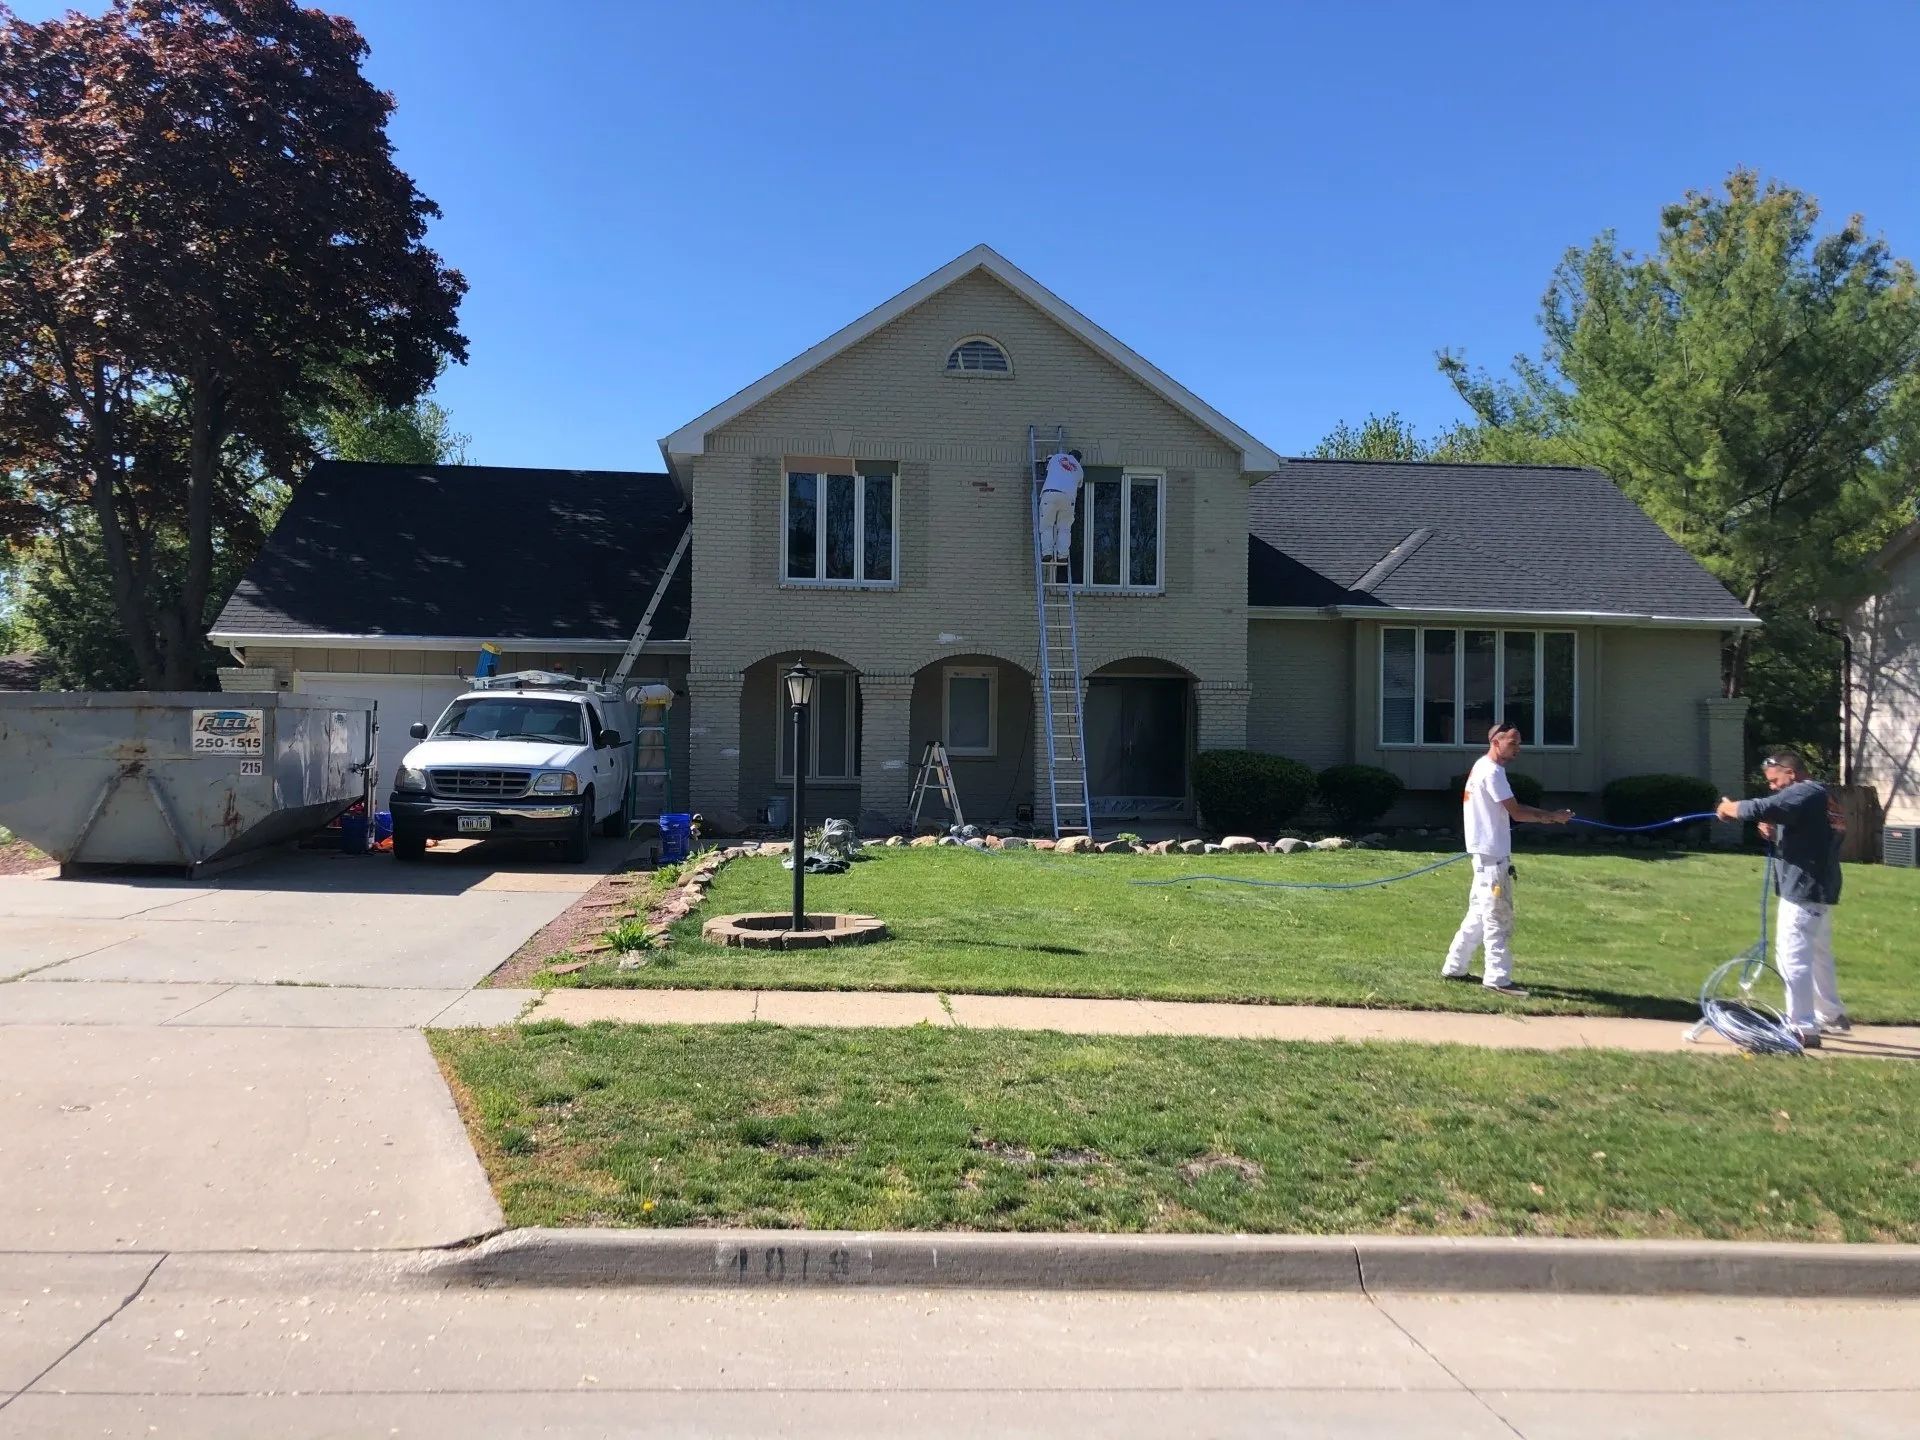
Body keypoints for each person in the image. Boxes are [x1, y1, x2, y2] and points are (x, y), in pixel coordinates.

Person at [1715, 750, 1849, 1048]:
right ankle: (1831, 1013)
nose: (1773, 786)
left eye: (1775, 780)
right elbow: (1803, 828)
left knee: (1793, 956)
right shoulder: (1821, 796)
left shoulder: (1805, 791)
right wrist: (1774, 830)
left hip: (1803, 889)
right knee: (1818, 953)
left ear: (1792, 772)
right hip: (1820, 887)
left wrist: (1728, 808)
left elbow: (1761, 806)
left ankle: (1802, 1027)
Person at [1441, 720, 1574, 997]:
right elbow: (1516, 812)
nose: (1518, 749)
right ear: (1496, 742)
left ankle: (1455, 967)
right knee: (1497, 919)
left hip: (1484, 854)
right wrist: (1553, 817)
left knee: (1478, 914)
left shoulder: (1481, 767)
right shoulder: (1492, 772)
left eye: (1519, 744)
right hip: (1492, 857)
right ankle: (1498, 978)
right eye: (1513, 743)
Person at [1038, 448, 1084, 583]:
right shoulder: (1079, 469)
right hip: (1069, 499)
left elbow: (1047, 464)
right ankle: (1063, 555)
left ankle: (1047, 553)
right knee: (1064, 528)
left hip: (1051, 494)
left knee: (1047, 525)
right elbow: (1079, 486)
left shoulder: (1057, 457)